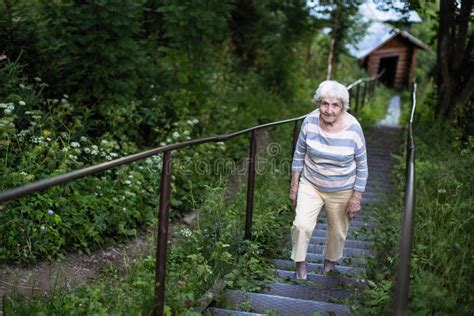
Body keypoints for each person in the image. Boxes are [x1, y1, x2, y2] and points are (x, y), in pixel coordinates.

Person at [289, 80, 368, 279]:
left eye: (335, 105)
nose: (329, 110)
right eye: (325, 104)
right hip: (311, 183)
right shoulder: (309, 121)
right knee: (301, 225)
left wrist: (356, 198)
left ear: (342, 107)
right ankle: (300, 264)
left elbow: (362, 166)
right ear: (318, 104)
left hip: (342, 188)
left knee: (338, 231)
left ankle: (330, 264)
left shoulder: (354, 128)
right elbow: (298, 155)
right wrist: (294, 186)